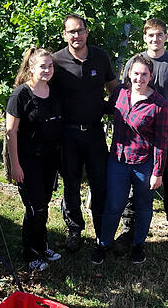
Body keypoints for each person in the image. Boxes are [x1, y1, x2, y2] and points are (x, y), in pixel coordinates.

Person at [119, 18, 168, 248]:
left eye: (160, 34)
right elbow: (127, 92)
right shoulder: (135, 62)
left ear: (166, 36)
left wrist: (165, 113)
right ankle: (128, 227)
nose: (155, 39)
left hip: (167, 130)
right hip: (138, 133)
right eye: (151, 35)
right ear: (145, 37)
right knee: (135, 178)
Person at [93, 54, 168, 265]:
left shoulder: (159, 104)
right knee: (114, 204)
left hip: (143, 163)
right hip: (118, 160)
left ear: (151, 76)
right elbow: (106, 110)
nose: (140, 78)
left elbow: (162, 142)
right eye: (136, 73)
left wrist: (158, 171)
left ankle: (138, 245)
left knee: (144, 205)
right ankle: (104, 243)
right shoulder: (119, 93)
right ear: (128, 74)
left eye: (144, 74)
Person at [51, 13, 119, 253]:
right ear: (64, 35)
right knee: (70, 182)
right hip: (67, 134)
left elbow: (114, 88)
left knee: (100, 182)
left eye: (80, 30)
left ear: (87, 32)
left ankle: (102, 230)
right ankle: (74, 229)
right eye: (71, 32)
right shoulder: (56, 61)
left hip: (94, 132)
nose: (76, 35)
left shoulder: (100, 57)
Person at [5, 47, 64, 272]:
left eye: (50, 66)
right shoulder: (21, 94)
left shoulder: (53, 91)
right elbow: (11, 133)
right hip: (28, 160)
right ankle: (30, 253)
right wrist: (15, 165)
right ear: (31, 68)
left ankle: (42, 245)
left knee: (43, 204)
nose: (47, 70)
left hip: (49, 160)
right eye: (43, 66)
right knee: (34, 207)